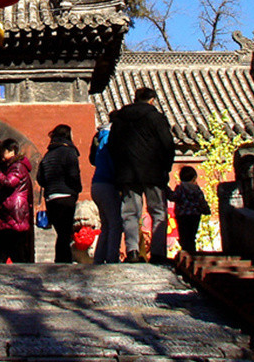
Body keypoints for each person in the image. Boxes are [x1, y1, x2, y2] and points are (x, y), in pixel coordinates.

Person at [108, 87, 175, 264]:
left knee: (130, 212)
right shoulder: (156, 118)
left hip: (127, 173)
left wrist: (120, 168)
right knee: (158, 211)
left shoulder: (120, 119)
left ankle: (132, 251)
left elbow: (112, 146)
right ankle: (158, 253)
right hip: (154, 172)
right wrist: (166, 167)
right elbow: (168, 144)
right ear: (151, 100)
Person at [37, 124, 81, 263]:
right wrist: (77, 189)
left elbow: (40, 178)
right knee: (65, 232)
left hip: (51, 198)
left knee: (61, 232)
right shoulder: (69, 152)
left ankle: (61, 260)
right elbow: (74, 174)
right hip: (66, 196)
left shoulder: (48, 155)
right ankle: (63, 261)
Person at [90, 111, 128, 264]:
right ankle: (112, 257)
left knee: (106, 224)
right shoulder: (111, 137)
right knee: (115, 223)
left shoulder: (100, 136)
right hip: (108, 183)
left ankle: (99, 257)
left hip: (97, 182)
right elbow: (112, 161)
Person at [0, 138, 34, 263]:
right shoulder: (13, 166)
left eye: (4, 151)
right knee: (10, 244)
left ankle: (15, 265)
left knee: (13, 242)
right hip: (13, 208)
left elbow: (10, 182)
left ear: (12, 151)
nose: (1, 154)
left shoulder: (17, 166)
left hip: (15, 209)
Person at [168, 165, 210, 255]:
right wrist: (206, 209)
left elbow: (173, 197)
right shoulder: (196, 189)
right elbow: (201, 201)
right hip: (195, 215)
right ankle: (192, 252)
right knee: (191, 236)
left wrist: (167, 190)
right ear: (194, 178)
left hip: (182, 215)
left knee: (184, 235)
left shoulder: (180, 188)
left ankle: (185, 251)